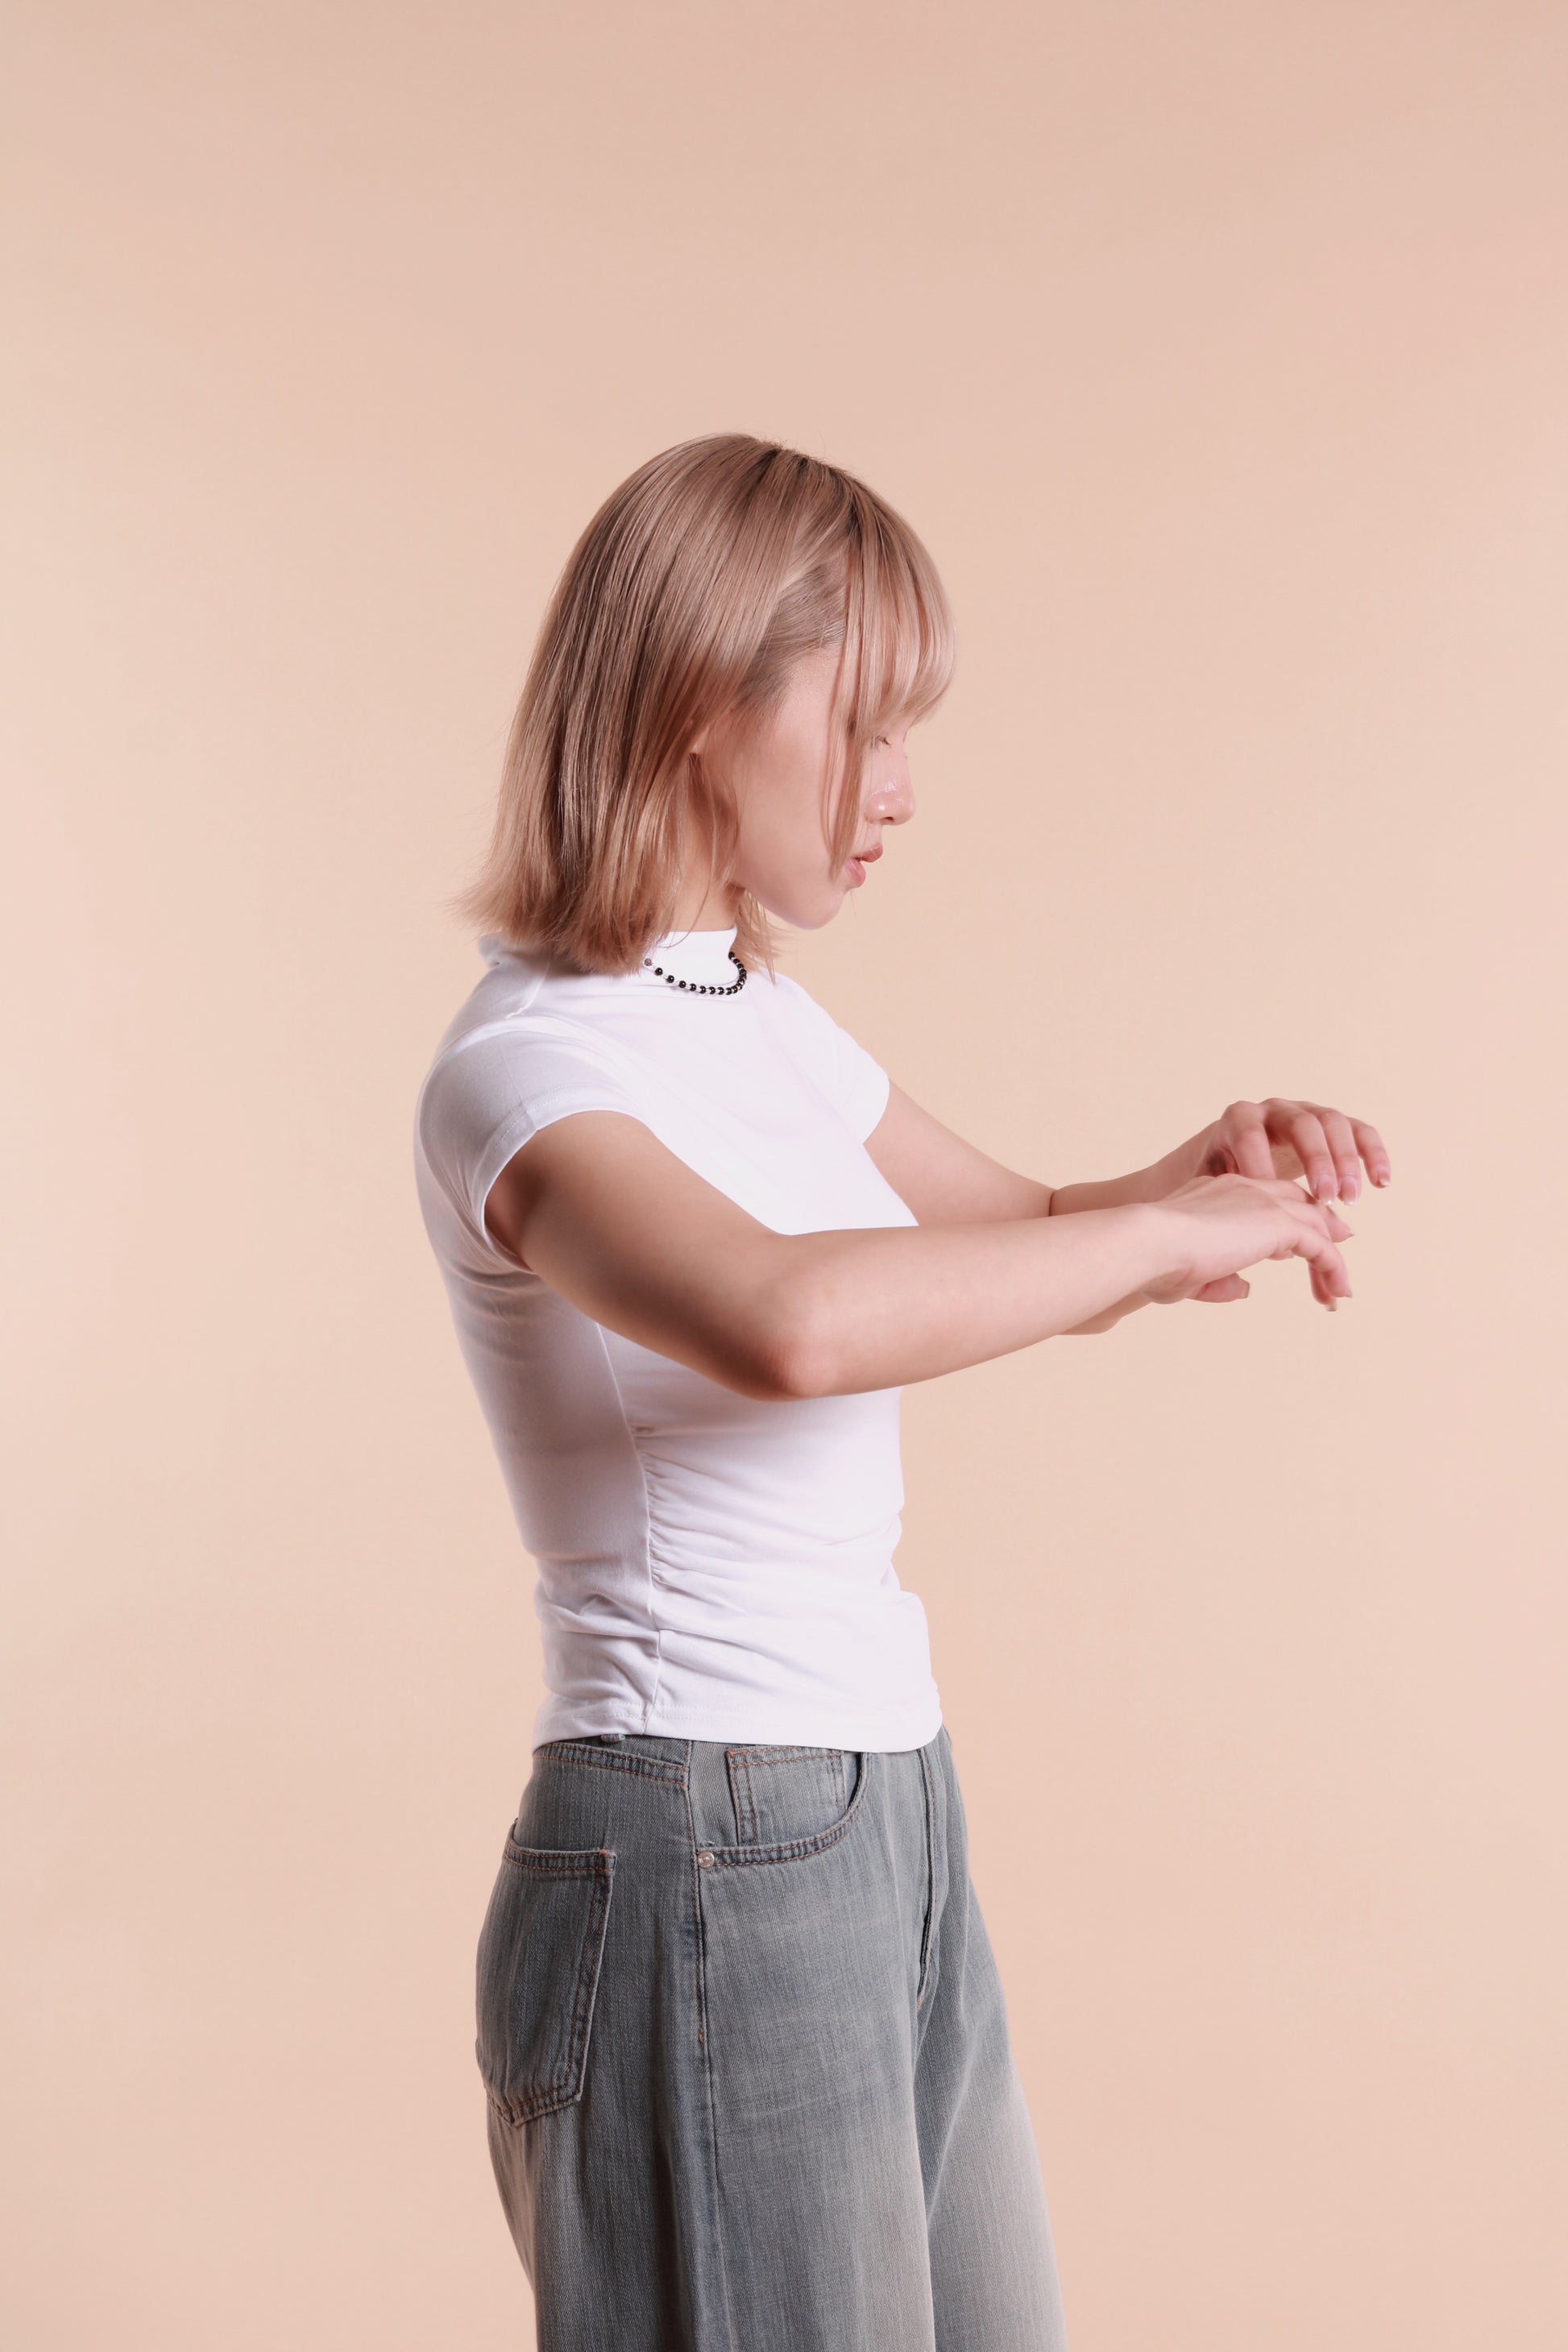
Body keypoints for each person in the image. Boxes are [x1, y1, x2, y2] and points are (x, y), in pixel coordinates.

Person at [411, 433, 1389, 2352]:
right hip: (698, 1829)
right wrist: (1151, 1237)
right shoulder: (524, 1073)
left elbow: (1020, 1232)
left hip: (880, 1805)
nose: (901, 789)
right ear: (701, 699)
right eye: (864, 723)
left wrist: (1203, 1180)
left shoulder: (749, 1011)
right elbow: (789, 1321)